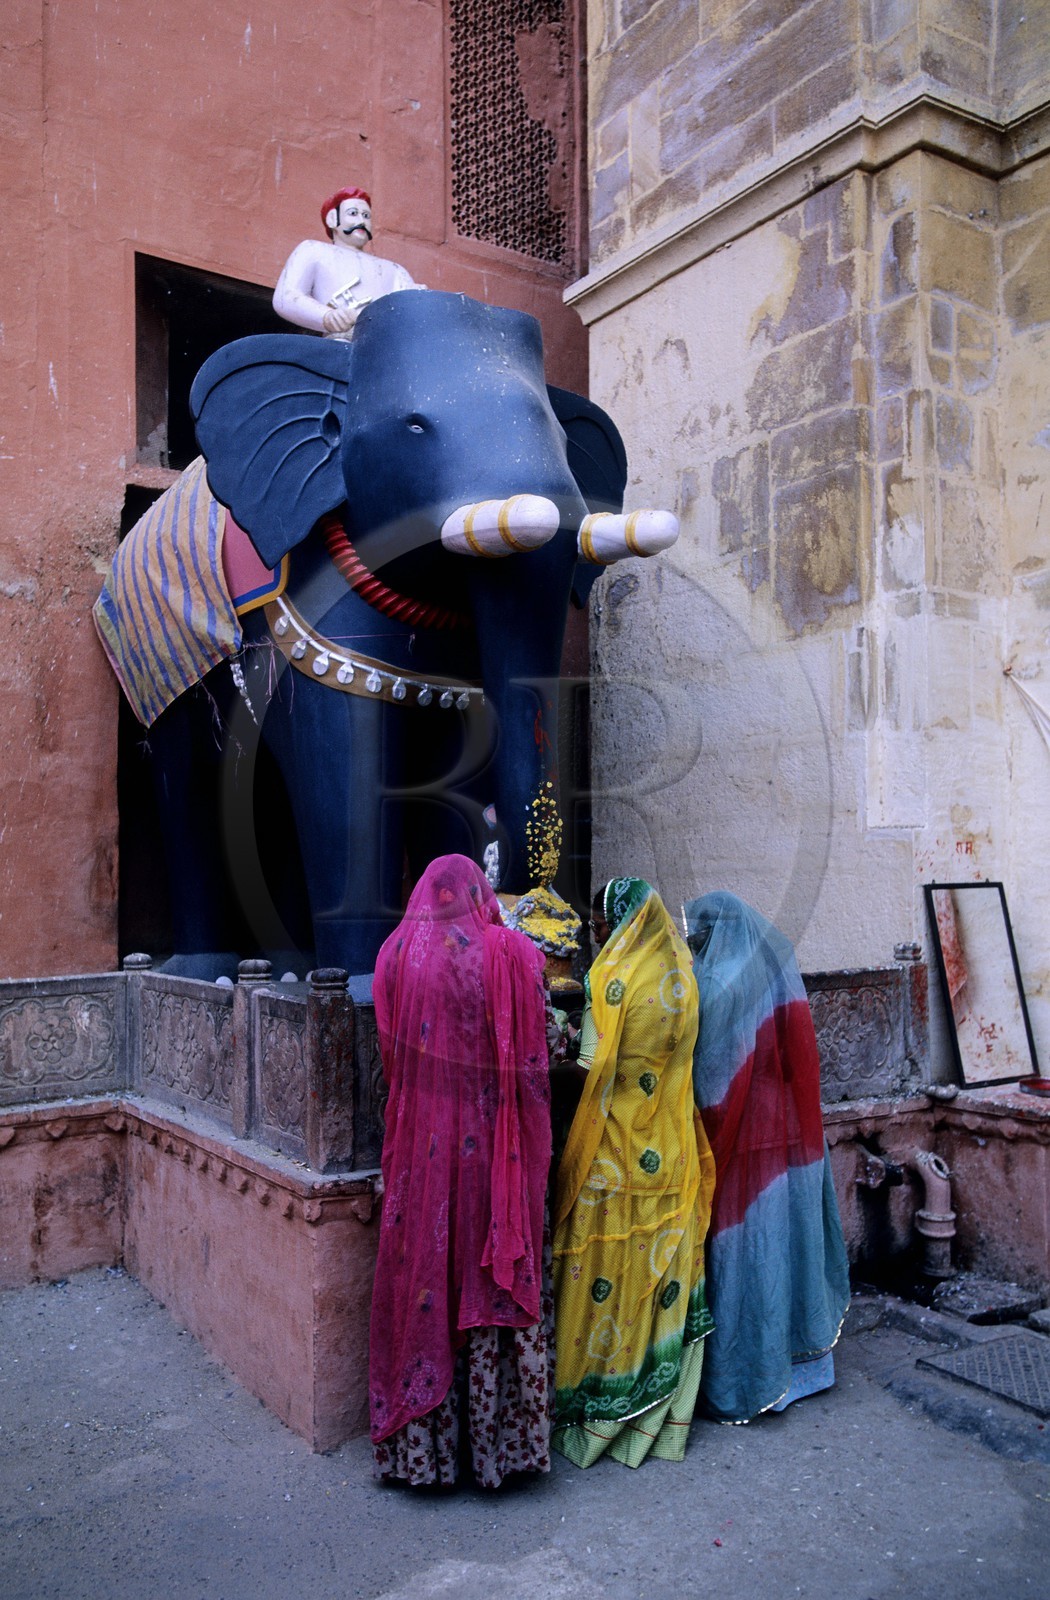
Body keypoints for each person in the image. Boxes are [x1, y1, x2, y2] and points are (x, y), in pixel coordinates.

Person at [368, 854, 554, 1488]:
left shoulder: (394, 955)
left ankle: (425, 1456)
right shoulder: (510, 954)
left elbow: (392, 1060)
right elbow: (539, 1061)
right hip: (493, 1163)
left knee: (426, 1275)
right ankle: (499, 1455)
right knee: (487, 1282)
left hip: (422, 1156)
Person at [552, 877, 716, 1468]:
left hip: (614, 1153)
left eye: (601, 928)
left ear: (620, 922)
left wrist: (554, 1051)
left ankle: (599, 1409)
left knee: (604, 1271)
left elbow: (592, 1065)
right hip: (671, 1151)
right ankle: (659, 1418)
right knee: (660, 1268)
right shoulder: (685, 979)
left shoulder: (611, 980)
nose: (600, 939)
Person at [684, 891, 850, 1422]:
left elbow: (710, 1078)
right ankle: (806, 1369)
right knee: (789, 1246)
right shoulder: (770, 965)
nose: (693, 938)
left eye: (699, 928)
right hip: (788, 1134)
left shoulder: (715, 982)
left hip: (744, 1139)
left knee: (747, 1256)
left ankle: (746, 1375)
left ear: (716, 930)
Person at [272, 186, 417, 340]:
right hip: (339, 342)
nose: (361, 221)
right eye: (353, 214)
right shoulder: (313, 250)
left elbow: (411, 315)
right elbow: (286, 297)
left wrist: (419, 299)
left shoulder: (394, 270)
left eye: (366, 216)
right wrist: (327, 316)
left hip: (383, 347)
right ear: (333, 218)